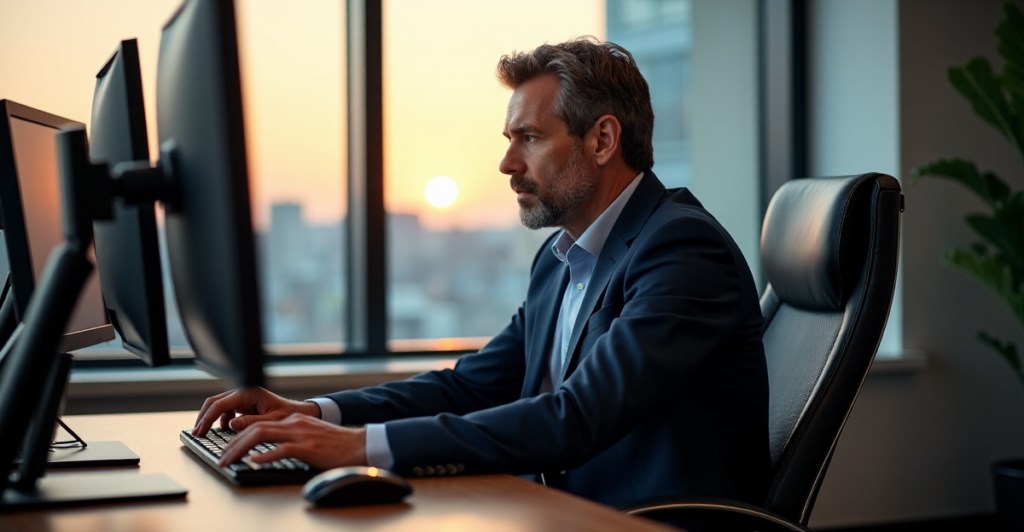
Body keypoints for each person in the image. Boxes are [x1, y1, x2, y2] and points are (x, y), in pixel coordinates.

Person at [193, 37, 771, 508]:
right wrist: (319, 413)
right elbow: (470, 385)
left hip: (647, 524)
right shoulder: (561, 258)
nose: (507, 163)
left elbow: (577, 417)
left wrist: (358, 447)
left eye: (530, 138)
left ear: (603, 139)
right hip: (562, 512)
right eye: (509, 139)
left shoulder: (681, 248)